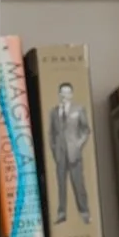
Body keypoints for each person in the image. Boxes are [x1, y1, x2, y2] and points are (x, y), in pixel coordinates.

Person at [49, 79, 93, 224]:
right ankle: (61, 214)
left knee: (78, 184)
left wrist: (78, 144)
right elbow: (51, 133)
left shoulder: (78, 109)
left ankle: (84, 212)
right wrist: (54, 150)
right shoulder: (53, 112)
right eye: (62, 92)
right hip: (60, 155)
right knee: (61, 186)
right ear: (59, 94)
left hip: (74, 154)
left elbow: (86, 130)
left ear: (72, 94)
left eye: (68, 93)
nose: (65, 95)